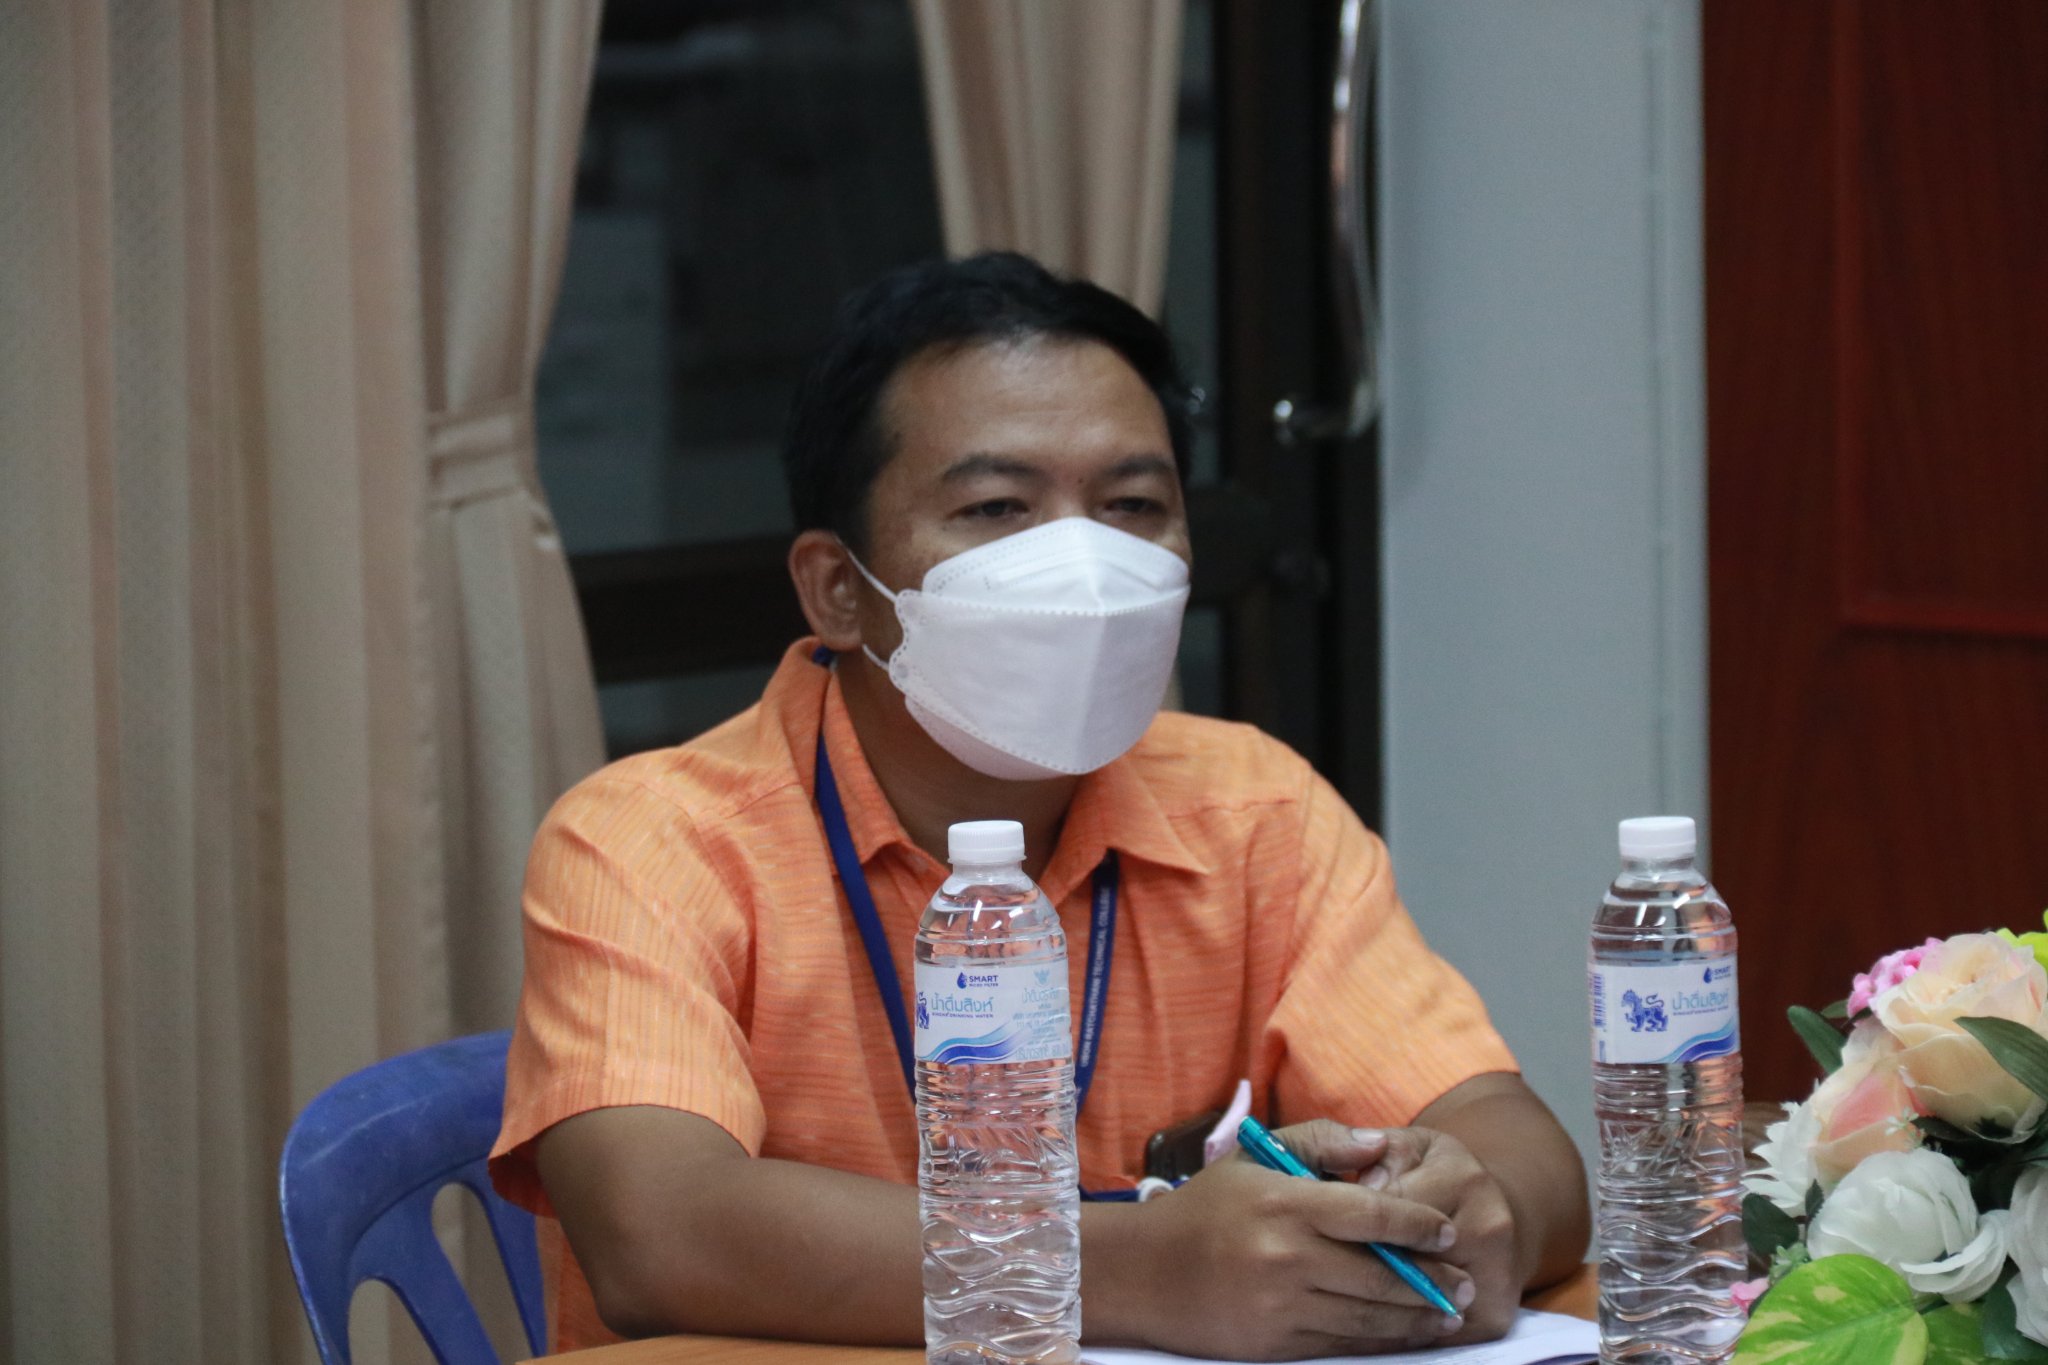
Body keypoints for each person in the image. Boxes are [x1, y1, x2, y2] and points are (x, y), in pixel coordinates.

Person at [490, 252, 1589, 1360]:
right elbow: (657, 1234)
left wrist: (1462, 1212)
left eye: (1132, 506)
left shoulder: (1255, 809)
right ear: (837, 590)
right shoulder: (650, 841)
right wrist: (1144, 1266)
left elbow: (1515, 1150)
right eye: (996, 507)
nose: (1082, 563)